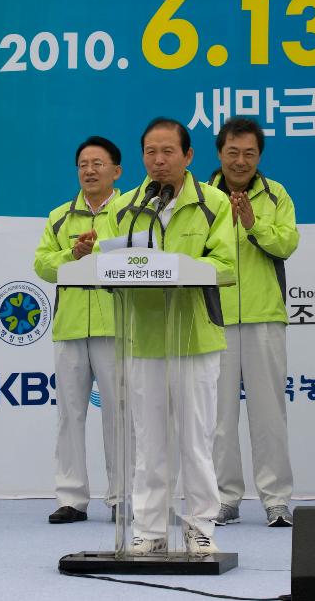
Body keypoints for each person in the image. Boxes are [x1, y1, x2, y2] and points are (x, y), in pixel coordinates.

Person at [107, 117, 235, 556]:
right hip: (143, 339)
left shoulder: (214, 202)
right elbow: (108, 264)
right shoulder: (124, 206)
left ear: (188, 156)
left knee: (196, 440)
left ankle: (201, 526)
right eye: (150, 153)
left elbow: (228, 265)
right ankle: (150, 528)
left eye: (167, 152)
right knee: (149, 441)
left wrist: (177, 269)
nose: (158, 161)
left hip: (194, 339)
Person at [207, 118, 299, 528]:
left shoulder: (276, 194)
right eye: (233, 152)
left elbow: (287, 243)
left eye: (249, 153)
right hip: (214, 316)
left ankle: (276, 499)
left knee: (269, 415)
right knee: (219, 417)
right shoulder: (202, 196)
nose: (240, 161)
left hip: (264, 316)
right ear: (219, 153)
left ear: (259, 156)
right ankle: (225, 497)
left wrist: (251, 223)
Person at [33, 136, 126, 524]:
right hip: (70, 325)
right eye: (84, 164)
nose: (89, 170)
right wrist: (71, 256)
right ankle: (71, 497)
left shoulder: (130, 213)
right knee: (70, 414)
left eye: (98, 163)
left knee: (119, 414)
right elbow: (41, 264)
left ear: (117, 171)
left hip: (116, 323)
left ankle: (124, 496)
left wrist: (100, 254)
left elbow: (141, 258)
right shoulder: (59, 216)